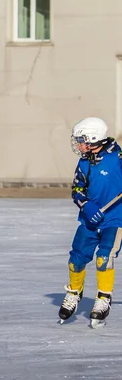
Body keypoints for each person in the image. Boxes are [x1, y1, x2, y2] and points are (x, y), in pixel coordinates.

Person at [58, 117, 122, 328]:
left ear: (94, 138)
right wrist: (86, 204)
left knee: (104, 258)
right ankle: (74, 293)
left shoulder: (118, 157)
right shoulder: (85, 161)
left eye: (81, 140)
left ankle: (103, 298)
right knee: (76, 260)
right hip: (90, 220)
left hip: (115, 220)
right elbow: (77, 189)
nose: (78, 145)